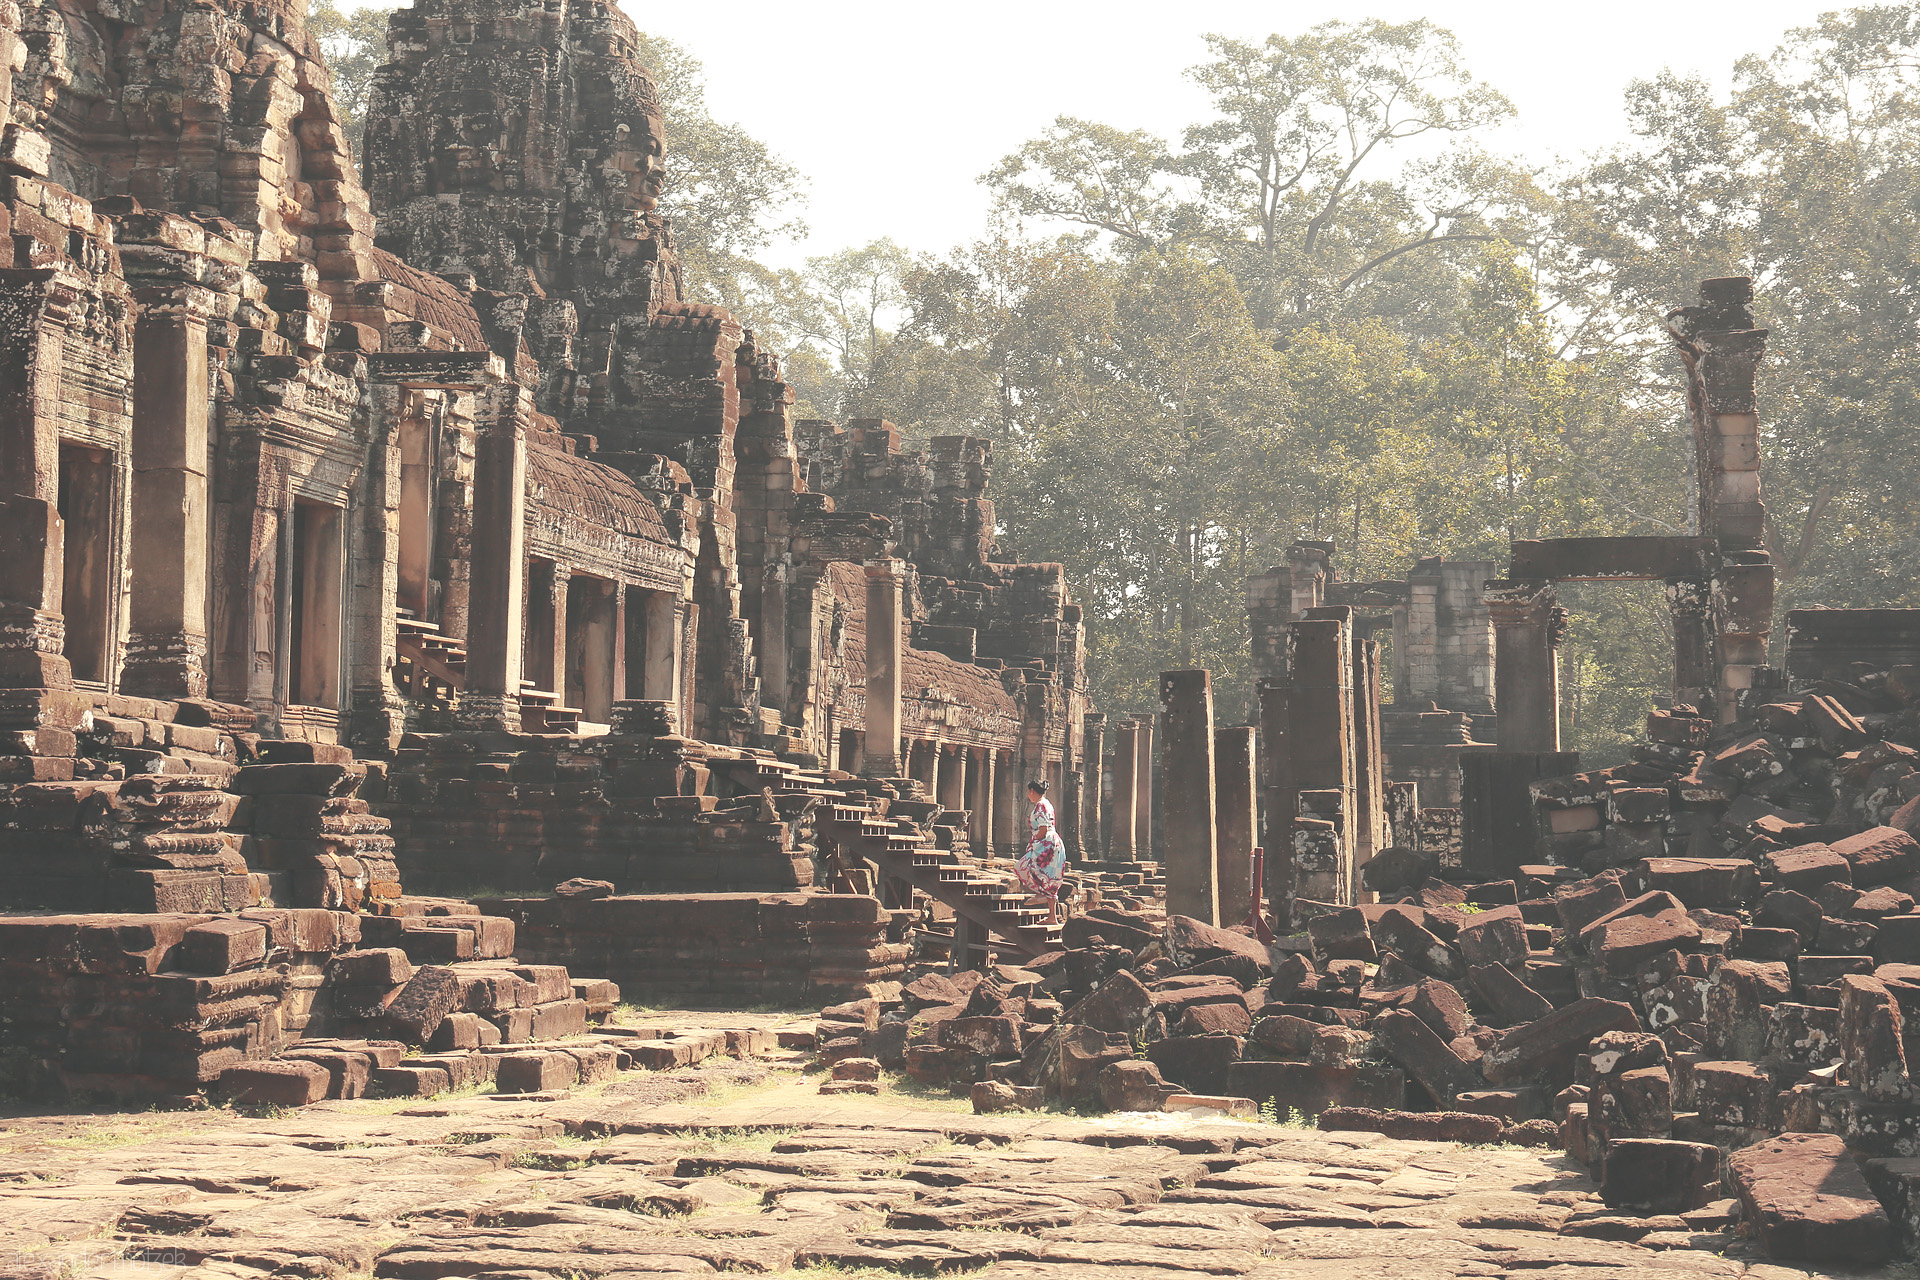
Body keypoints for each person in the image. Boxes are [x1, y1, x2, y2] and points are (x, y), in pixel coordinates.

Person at [1015, 779, 1068, 926]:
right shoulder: (1047, 803)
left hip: (1046, 844)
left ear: (1032, 791)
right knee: (1050, 878)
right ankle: (1052, 917)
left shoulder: (1039, 806)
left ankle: (1041, 895)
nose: (1027, 795)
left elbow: (1043, 829)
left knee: (1022, 866)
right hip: (1054, 843)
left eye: (1028, 791)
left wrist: (1035, 842)